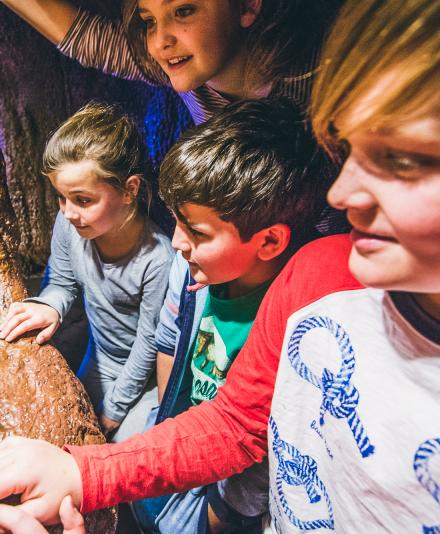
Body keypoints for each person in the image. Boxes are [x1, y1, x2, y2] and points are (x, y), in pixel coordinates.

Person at [0, 0, 440, 531]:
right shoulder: (321, 272)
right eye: (347, 149)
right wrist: (83, 472)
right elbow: (238, 422)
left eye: (405, 160)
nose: (342, 193)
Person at [133, 97, 334, 534]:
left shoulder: (299, 318)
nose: (176, 242)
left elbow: (273, 434)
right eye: (175, 221)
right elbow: (169, 342)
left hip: (230, 487)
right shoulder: (187, 269)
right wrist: (172, 433)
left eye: (196, 231)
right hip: (185, 444)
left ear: (269, 242)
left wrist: (224, 513)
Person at [0, 102, 174, 441]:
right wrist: (48, 305)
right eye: (61, 198)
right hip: (98, 360)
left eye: (82, 200)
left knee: (117, 453)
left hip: (145, 380)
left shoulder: (159, 260)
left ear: (129, 190)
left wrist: (115, 408)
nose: (67, 213)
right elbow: (62, 284)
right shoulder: (71, 228)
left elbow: (149, 344)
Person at [0, 0, 341, 124]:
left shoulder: (318, 76)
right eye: (149, 20)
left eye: (183, 11)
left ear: (248, 6)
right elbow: (86, 39)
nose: (161, 40)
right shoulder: (180, 65)